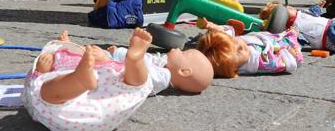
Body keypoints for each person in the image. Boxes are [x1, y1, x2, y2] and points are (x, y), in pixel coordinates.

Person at [23, 29, 213, 131]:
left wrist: (41, 69)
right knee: (52, 92)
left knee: (46, 93)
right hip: (96, 113)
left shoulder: (164, 76)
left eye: (185, 53)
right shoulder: (162, 66)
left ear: (185, 71)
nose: (180, 49)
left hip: (63, 107)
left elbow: (138, 81)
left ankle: (79, 79)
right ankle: (78, 76)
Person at [259, 2, 335, 56]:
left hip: (329, 23)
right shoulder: (292, 29)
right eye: (286, 10)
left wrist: (319, 6)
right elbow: (297, 41)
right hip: (325, 37)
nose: (289, 7)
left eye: (288, 6)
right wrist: (294, 47)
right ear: (280, 20)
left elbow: (313, 13)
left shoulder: (302, 13)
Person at [197, 20, 303, 78]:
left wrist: (217, 29)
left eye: (235, 43)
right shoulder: (258, 62)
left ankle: (289, 34)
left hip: (265, 40)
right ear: (234, 69)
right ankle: (294, 36)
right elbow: (279, 64)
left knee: (278, 35)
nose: (241, 47)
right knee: (290, 40)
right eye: (239, 52)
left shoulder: (233, 47)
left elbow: (230, 36)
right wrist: (291, 55)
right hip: (279, 49)